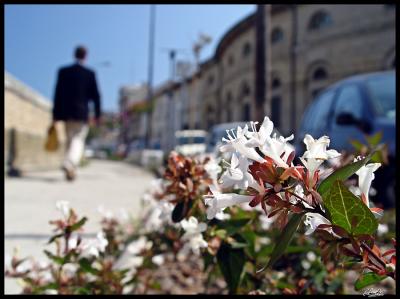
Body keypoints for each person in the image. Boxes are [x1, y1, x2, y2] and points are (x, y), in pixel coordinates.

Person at [52, 45, 101, 181]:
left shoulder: (63, 72)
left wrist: (55, 115)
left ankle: (71, 170)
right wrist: (97, 116)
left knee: (70, 141)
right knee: (77, 140)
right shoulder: (89, 74)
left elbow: (57, 94)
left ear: (74, 55)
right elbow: (96, 96)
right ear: (85, 56)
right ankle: (69, 163)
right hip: (81, 114)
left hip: (66, 114)